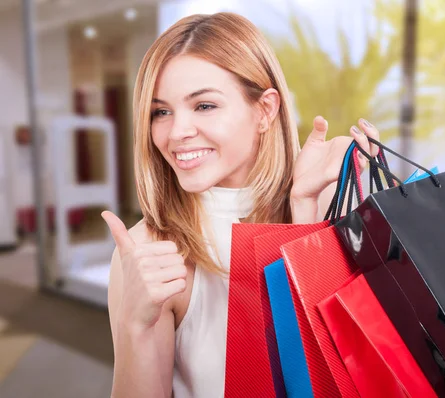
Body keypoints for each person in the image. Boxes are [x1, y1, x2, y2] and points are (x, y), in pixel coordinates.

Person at [101, 12, 380, 398]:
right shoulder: (149, 249)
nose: (177, 132)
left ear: (265, 110)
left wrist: (305, 209)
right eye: (160, 112)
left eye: (204, 106)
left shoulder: (326, 207)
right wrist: (136, 326)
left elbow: (337, 370)